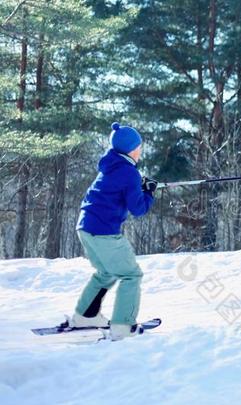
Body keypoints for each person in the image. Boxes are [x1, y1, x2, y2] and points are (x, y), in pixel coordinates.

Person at [69, 122, 158, 340]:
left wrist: (141, 187)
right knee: (131, 274)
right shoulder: (129, 173)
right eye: (138, 147)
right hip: (103, 232)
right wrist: (149, 193)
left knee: (106, 273)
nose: (140, 151)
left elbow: (120, 190)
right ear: (130, 150)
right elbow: (138, 209)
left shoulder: (110, 167)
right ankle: (122, 326)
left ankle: (85, 316)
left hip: (85, 227)